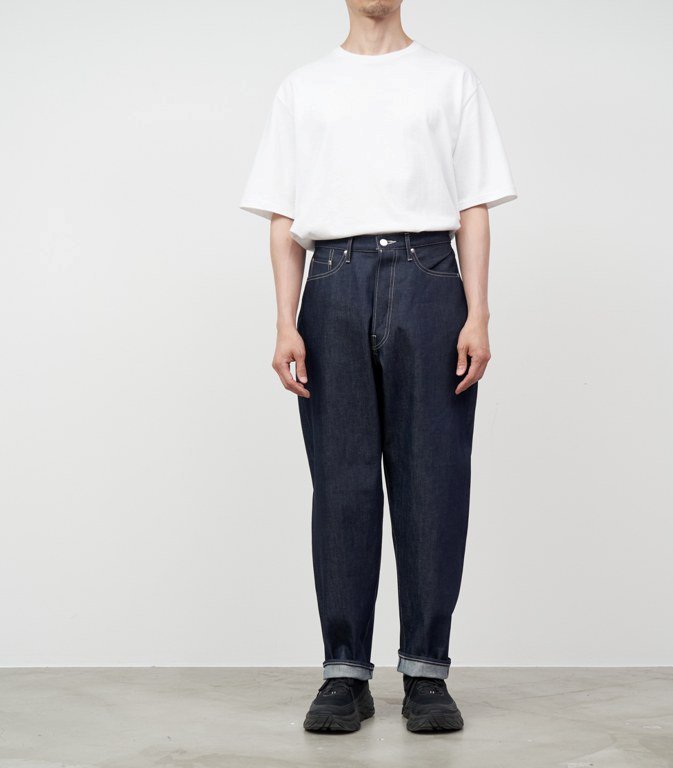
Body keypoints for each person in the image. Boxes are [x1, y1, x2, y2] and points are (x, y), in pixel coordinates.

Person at [239, 0, 517, 734]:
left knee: (434, 477)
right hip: (332, 280)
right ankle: (344, 673)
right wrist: (285, 320)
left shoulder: (450, 79)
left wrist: (478, 313)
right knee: (342, 481)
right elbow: (283, 215)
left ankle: (426, 671)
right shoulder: (304, 87)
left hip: (431, 275)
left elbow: (475, 205)